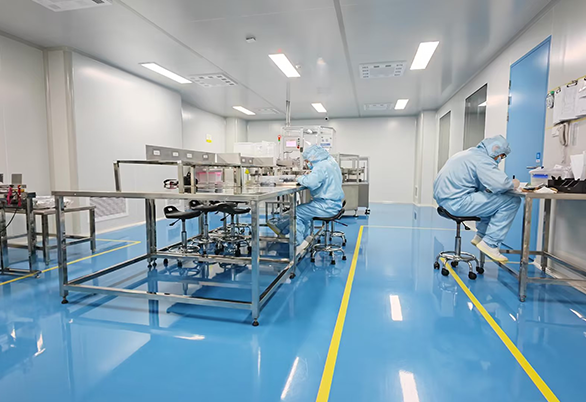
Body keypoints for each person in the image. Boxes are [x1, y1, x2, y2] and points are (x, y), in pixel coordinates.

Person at [433, 135, 521, 262]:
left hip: (444, 203)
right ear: (495, 148)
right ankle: (490, 243)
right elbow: (500, 184)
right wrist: (513, 183)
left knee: (490, 199)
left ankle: (480, 236)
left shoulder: (467, 154)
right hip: (457, 203)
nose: (500, 159)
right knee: (512, 200)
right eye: (501, 156)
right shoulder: (482, 159)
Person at [273, 144, 345, 253]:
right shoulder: (331, 163)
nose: (307, 163)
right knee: (303, 212)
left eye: (307, 160)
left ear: (313, 157)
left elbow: (311, 182)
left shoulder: (321, 166)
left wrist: (300, 178)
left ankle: (297, 244)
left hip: (326, 206)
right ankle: (304, 238)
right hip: (334, 204)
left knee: (296, 212)